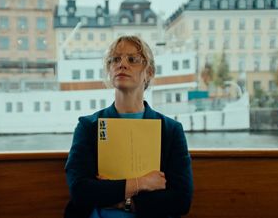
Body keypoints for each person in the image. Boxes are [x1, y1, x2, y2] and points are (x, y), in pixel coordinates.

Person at [64, 35, 193, 218]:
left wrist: (121, 200)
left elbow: (181, 200)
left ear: (149, 72)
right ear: (109, 69)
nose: (122, 64)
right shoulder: (88, 126)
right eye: (115, 59)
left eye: (132, 59)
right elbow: (80, 190)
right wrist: (143, 183)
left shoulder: (170, 130)